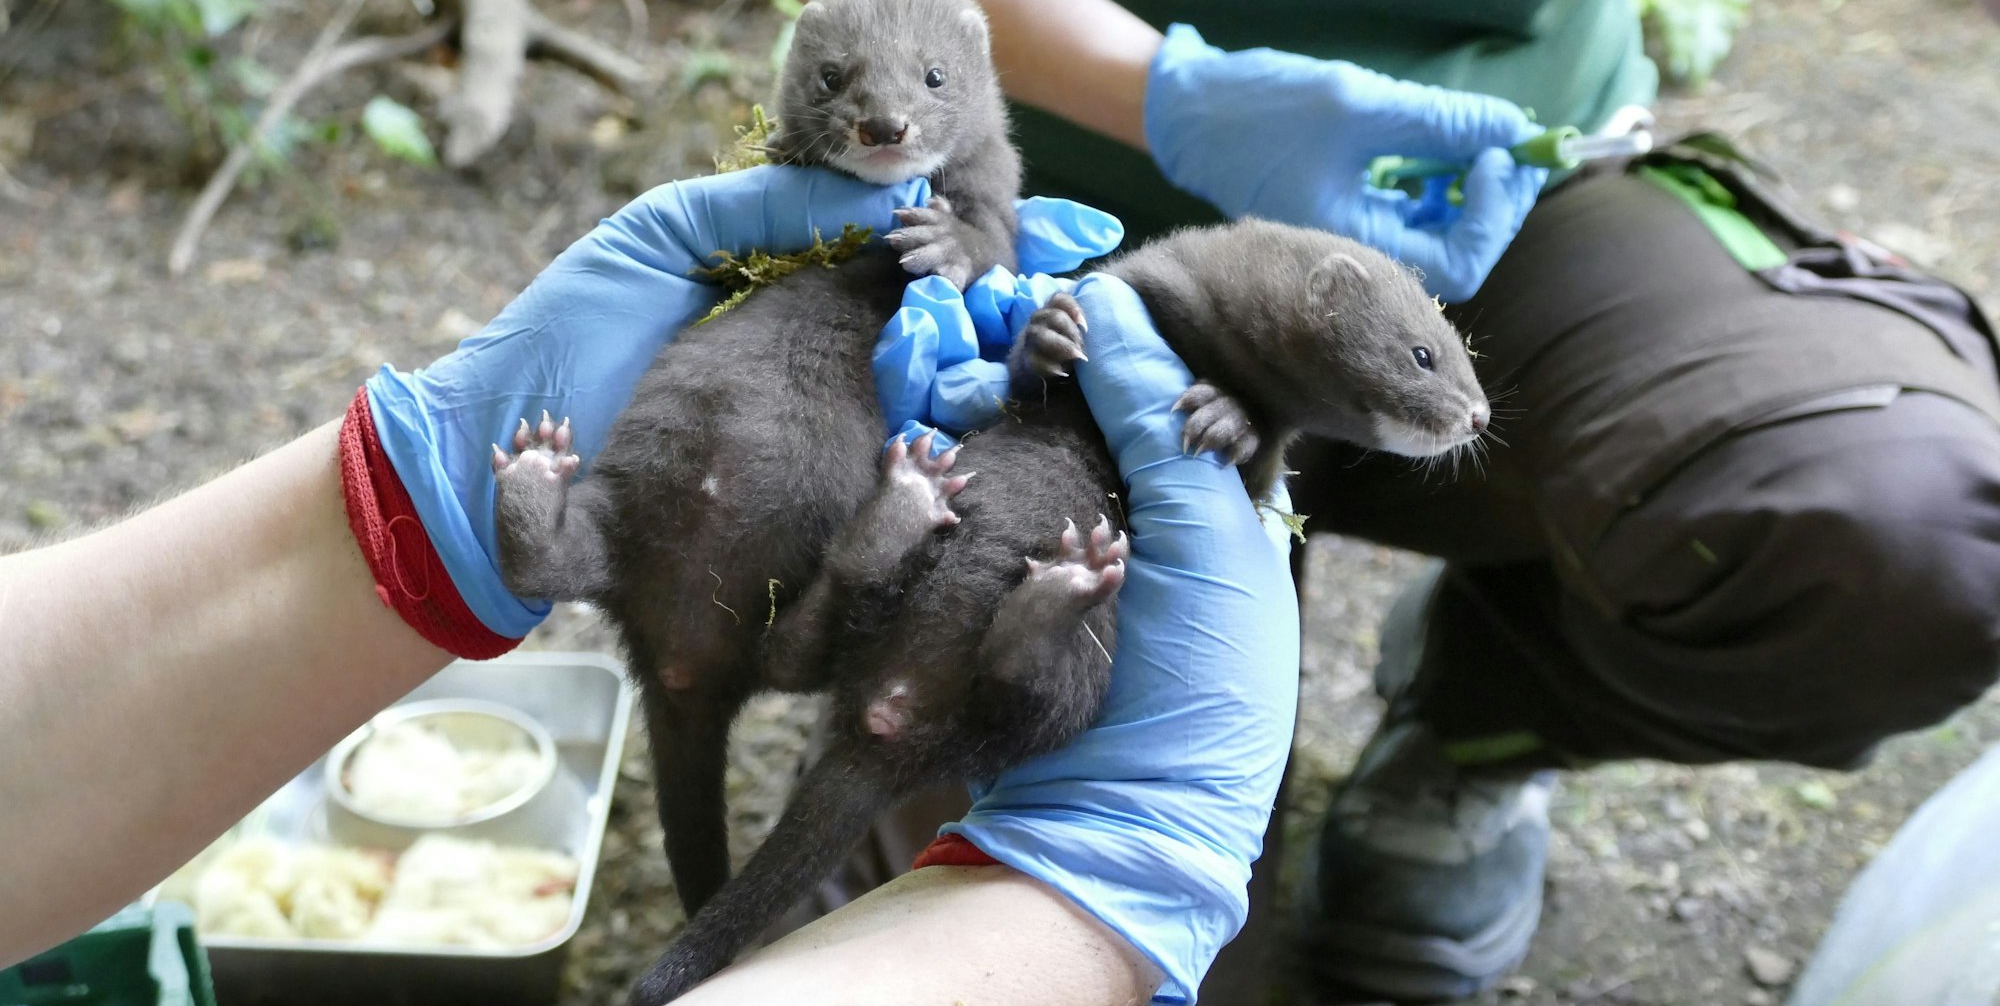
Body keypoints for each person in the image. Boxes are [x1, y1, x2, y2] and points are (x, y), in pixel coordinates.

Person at [718, 0, 2000, 1000]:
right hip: (1054, 277)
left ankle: (1481, 714)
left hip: (1485, 212)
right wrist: (1167, 94)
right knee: (1078, 910)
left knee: (1896, 532)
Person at [0, 161, 1302, 1006]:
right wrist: (1093, 905)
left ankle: (561, 550)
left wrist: (385, 519)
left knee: (787, 688)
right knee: (784, 698)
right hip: (815, 618)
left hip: (801, 614)